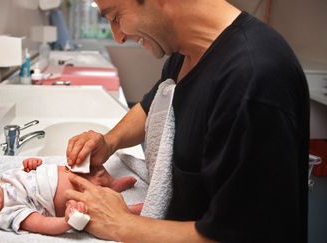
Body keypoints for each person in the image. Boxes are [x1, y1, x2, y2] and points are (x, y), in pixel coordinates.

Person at [64, 0, 309, 242]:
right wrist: (109, 141)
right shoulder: (188, 52)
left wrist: (120, 224)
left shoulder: (251, 80)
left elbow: (240, 235)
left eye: (116, 17)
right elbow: (153, 108)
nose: (118, 37)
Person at [0, 157, 141, 235]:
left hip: (72, 174)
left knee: (87, 162)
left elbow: (29, 175)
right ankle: (128, 211)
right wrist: (65, 221)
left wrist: (31, 165)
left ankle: (112, 185)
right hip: (73, 197)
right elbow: (41, 224)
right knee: (95, 210)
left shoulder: (4, 179)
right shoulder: (7, 214)